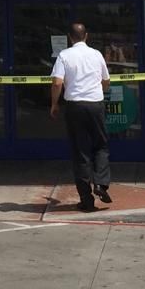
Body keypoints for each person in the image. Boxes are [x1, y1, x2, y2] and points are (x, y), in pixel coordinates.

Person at [50, 21, 112, 211]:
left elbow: (57, 82)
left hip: (75, 106)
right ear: (86, 36)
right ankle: (101, 183)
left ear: (70, 37)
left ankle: (86, 199)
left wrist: (54, 104)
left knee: (80, 151)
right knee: (101, 145)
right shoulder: (96, 54)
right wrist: (97, 92)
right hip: (95, 104)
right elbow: (106, 81)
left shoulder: (64, 55)